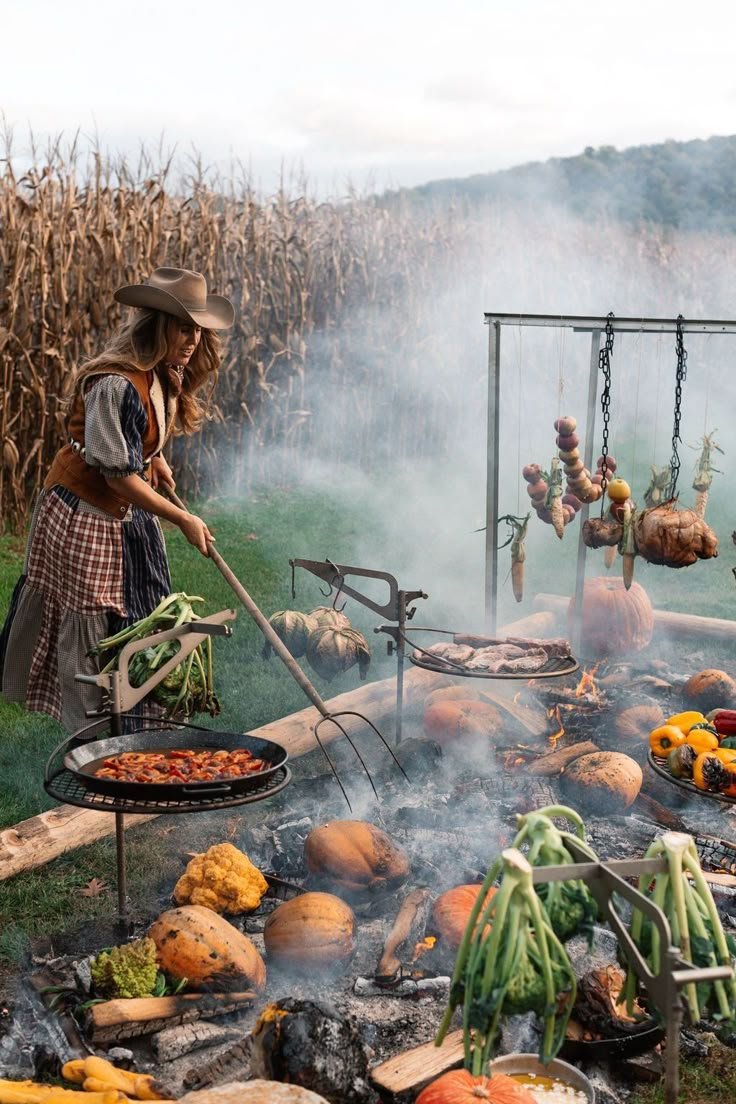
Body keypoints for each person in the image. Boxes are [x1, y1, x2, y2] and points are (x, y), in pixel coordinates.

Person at [0, 267, 234, 731]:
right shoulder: (114, 383)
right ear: (158, 324)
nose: (192, 340)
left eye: (197, 330)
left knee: (147, 611)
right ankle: (94, 739)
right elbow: (117, 479)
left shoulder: (166, 370)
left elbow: (136, 444)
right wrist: (183, 520)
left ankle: (138, 725)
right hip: (86, 516)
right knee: (96, 629)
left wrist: (156, 456)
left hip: (125, 507)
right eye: (183, 328)